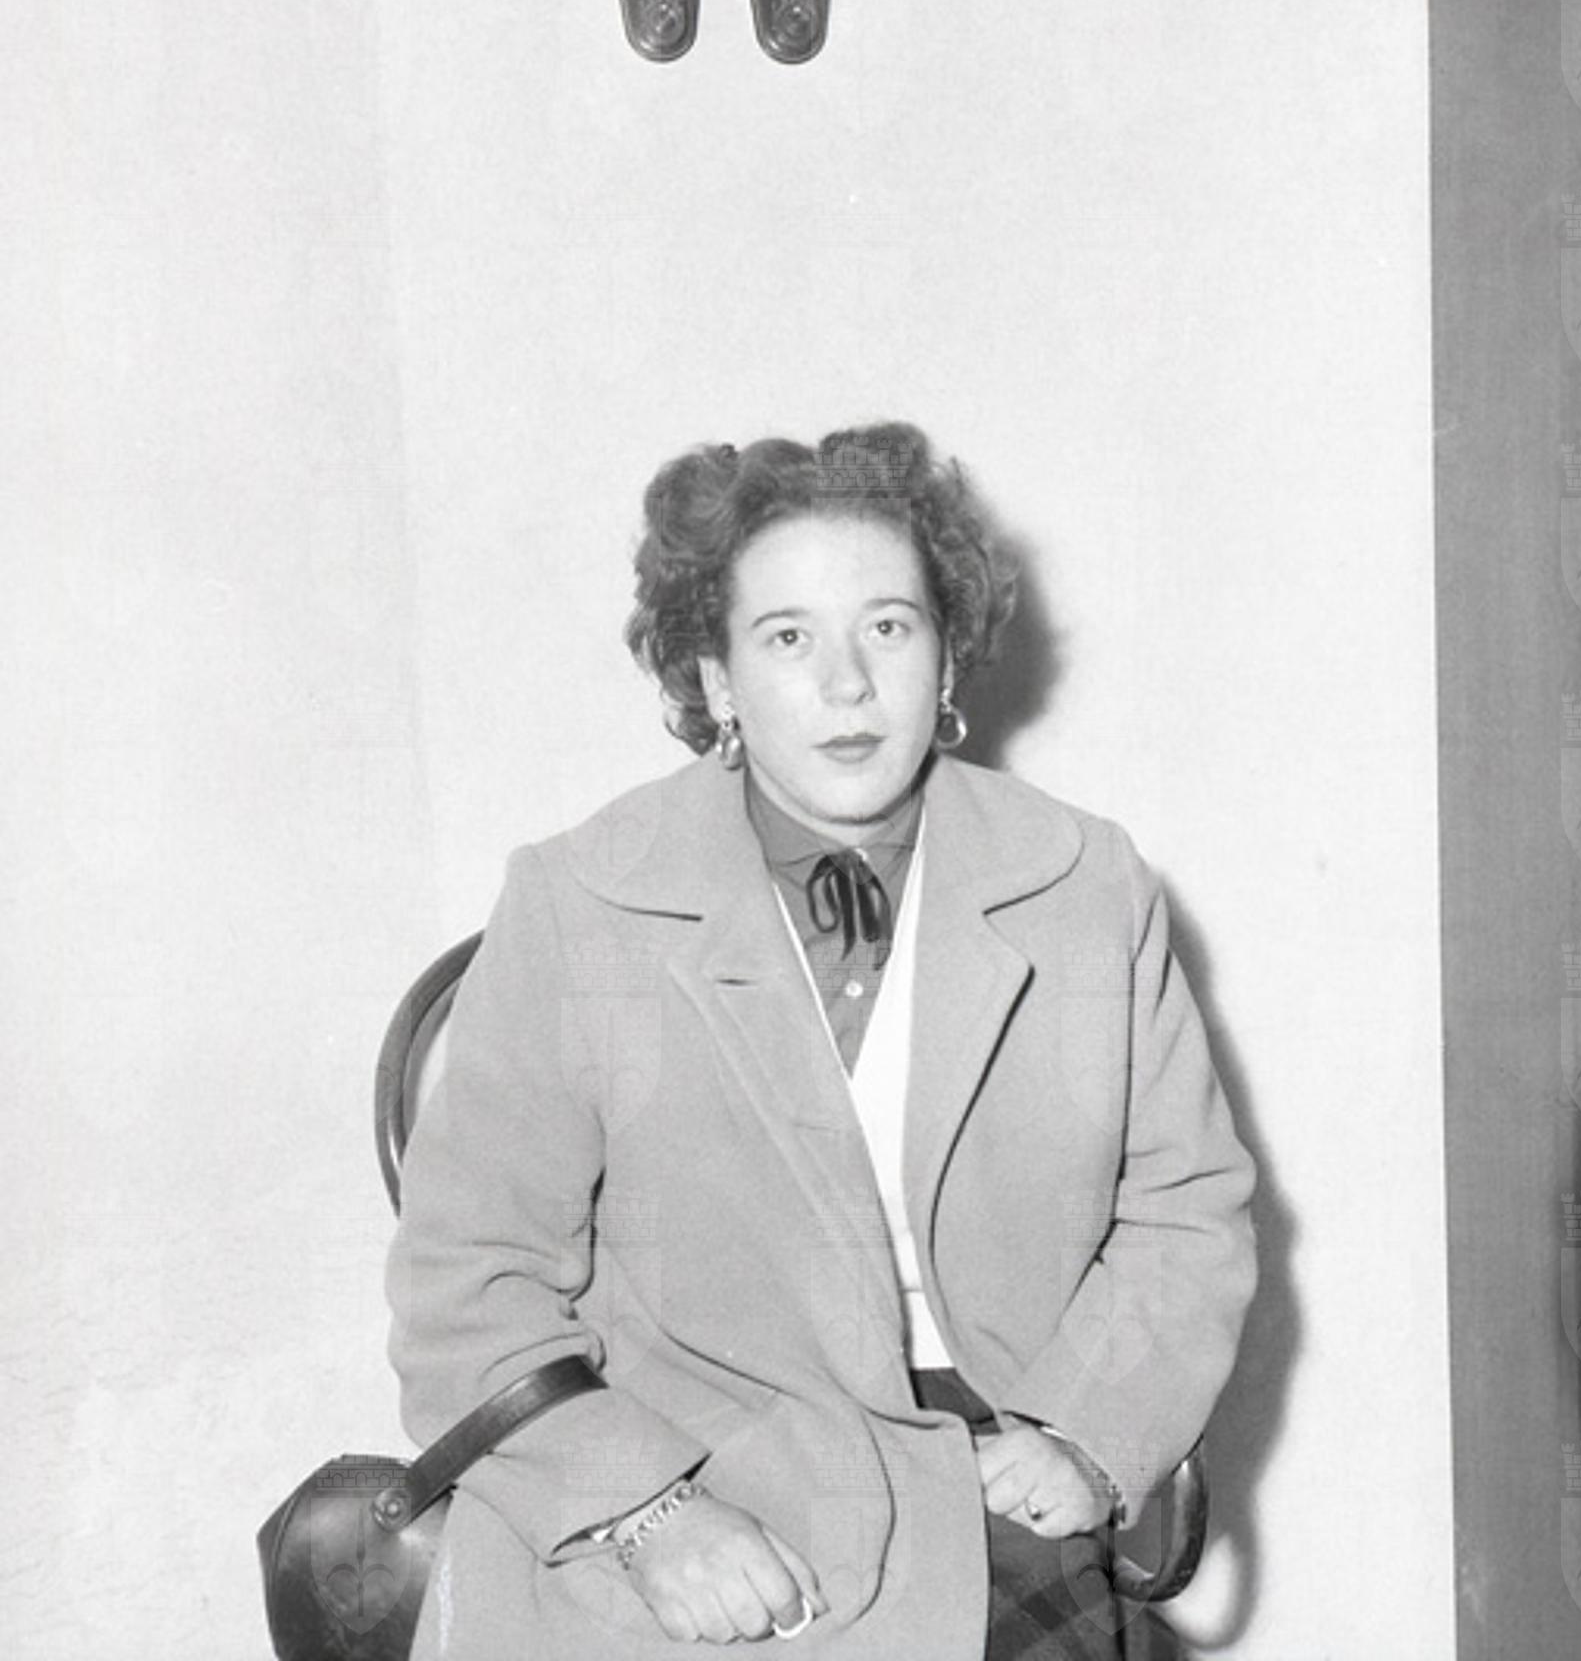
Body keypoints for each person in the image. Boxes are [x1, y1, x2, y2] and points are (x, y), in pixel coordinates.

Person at [386, 422, 1257, 1659]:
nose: (847, 684)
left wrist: (1086, 1427)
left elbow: (1183, 1209)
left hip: (992, 1464)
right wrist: (646, 1513)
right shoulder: (577, 901)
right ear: (717, 680)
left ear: (946, 655)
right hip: (685, 1461)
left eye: (888, 626)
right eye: (788, 636)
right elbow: (467, 1280)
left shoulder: (1085, 884)